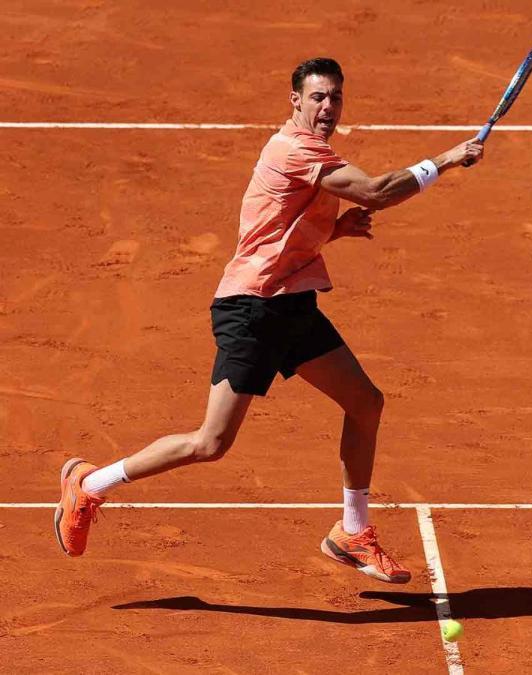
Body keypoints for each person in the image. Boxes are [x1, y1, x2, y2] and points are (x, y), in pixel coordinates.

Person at [53, 57, 484, 585]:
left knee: (365, 403)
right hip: (253, 310)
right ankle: (91, 483)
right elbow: (376, 190)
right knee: (210, 444)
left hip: (292, 306)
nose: (328, 107)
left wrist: (335, 232)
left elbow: (277, 232)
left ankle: (352, 532)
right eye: (319, 98)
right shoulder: (293, 150)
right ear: (296, 102)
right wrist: (448, 159)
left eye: (336, 98)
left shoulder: (312, 154)